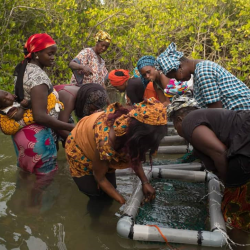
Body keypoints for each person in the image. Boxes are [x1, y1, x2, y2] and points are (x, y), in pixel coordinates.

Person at [167, 96, 250, 232]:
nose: (177, 131)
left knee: (234, 218)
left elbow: (220, 153)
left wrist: (227, 186)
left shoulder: (189, 121)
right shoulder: (207, 118)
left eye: (175, 127)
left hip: (244, 151)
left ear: (179, 119)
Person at [65, 98, 167, 204]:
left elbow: (134, 154)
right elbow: (100, 178)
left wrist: (145, 182)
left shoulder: (129, 124)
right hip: (79, 149)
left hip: (98, 146)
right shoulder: (107, 142)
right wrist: (124, 203)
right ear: (138, 135)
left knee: (110, 193)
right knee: (96, 198)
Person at [13, 33, 74, 176]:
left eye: (54, 54)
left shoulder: (23, 69)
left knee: (26, 178)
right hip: (38, 137)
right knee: (45, 184)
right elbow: (39, 116)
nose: (53, 57)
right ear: (36, 54)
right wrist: (71, 127)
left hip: (23, 135)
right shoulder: (39, 77)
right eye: (50, 53)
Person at [156, 42, 250, 110]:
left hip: (242, 114)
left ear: (179, 66)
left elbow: (216, 111)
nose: (178, 80)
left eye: (175, 76)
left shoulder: (203, 72)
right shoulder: (199, 71)